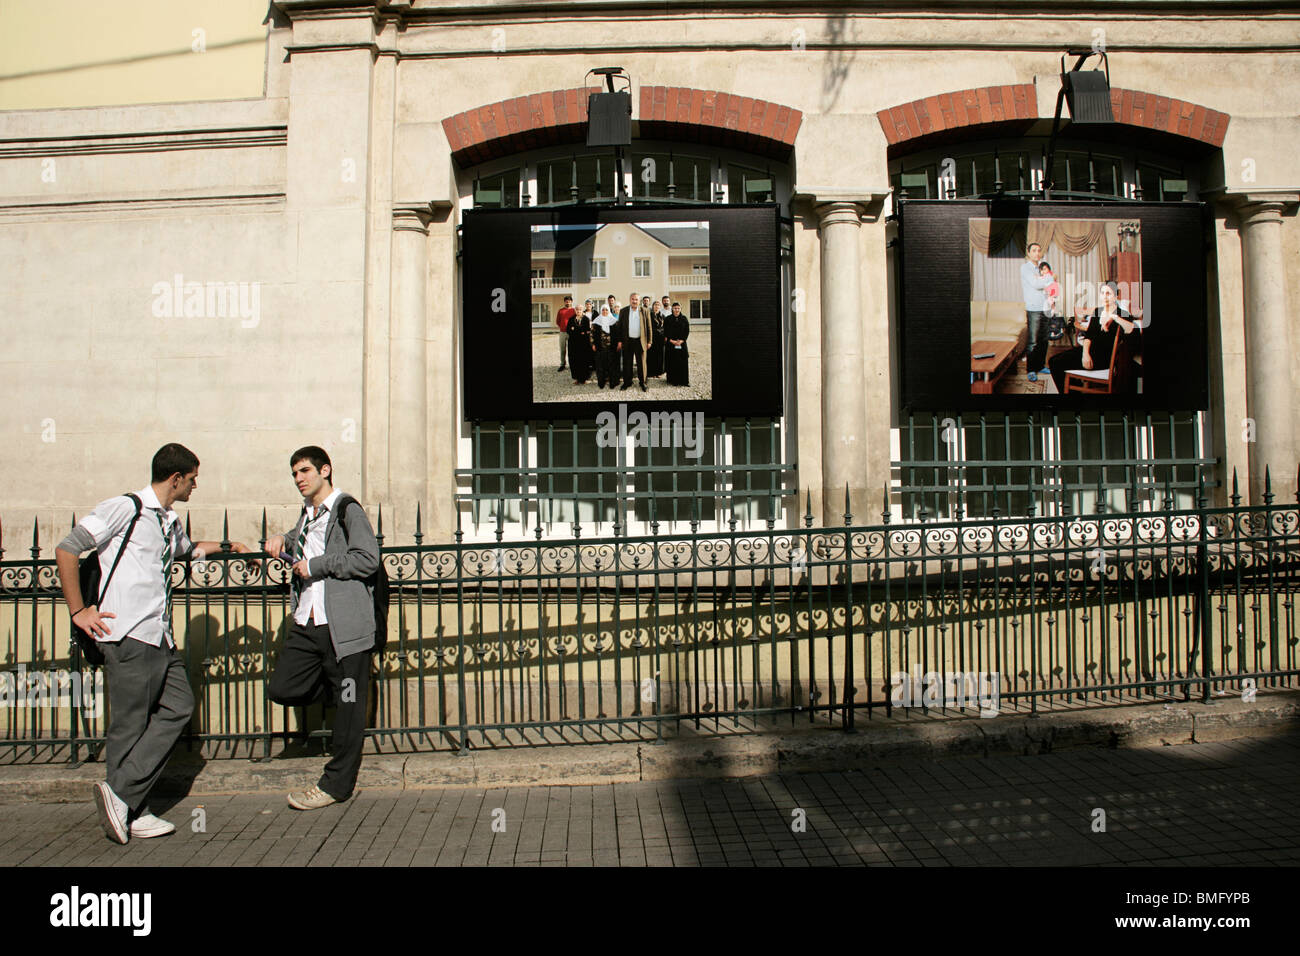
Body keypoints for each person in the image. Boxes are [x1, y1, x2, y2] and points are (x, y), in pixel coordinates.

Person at [55, 443, 255, 843]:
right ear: (176, 478)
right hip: (127, 633)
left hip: (159, 636)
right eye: (193, 479)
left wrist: (233, 548)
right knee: (129, 726)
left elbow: (189, 552)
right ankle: (130, 808)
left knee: (179, 706)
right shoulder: (124, 508)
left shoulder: (167, 521)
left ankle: (123, 797)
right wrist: (80, 612)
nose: (195, 487)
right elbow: (67, 549)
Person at [263, 446, 380, 810]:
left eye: (305, 471)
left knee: (348, 710)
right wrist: (283, 538)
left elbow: (367, 558)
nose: (299, 478)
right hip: (309, 623)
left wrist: (317, 565)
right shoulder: (309, 514)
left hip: (344, 629)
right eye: (295, 473)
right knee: (282, 686)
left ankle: (335, 785)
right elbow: (304, 539)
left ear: (325, 470)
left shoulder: (347, 509)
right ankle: (338, 690)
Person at [1047, 281, 1138, 394]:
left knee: (1056, 364)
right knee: (1052, 360)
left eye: (1108, 293)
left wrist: (1114, 317)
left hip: (1103, 358)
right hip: (1090, 352)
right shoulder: (1097, 311)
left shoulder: (1123, 314)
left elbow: (1132, 330)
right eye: (1102, 293)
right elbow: (1088, 335)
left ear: (1115, 296)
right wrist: (1085, 354)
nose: (1104, 297)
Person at [1021, 241, 1054, 383]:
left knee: (1044, 339)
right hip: (1033, 308)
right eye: (1034, 250)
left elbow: (1050, 285)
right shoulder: (1025, 268)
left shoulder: (1042, 268)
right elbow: (1036, 284)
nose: (1037, 253)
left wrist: (1046, 280)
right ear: (1029, 253)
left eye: (1039, 250)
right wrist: (1050, 278)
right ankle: (1031, 370)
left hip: (1045, 307)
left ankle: (1040, 366)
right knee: (1033, 341)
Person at [618, 291, 652, 391]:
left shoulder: (645, 311)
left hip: (640, 341)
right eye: (633, 299)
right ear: (630, 300)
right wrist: (620, 341)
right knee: (627, 363)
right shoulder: (623, 311)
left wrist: (649, 341)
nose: (634, 301)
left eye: (636, 299)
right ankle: (627, 382)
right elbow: (620, 327)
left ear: (639, 301)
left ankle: (643, 382)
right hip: (627, 341)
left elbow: (649, 327)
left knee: (641, 363)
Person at [592, 304, 621, 389]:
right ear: (601, 311)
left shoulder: (614, 321)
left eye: (606, 310)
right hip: (600, 347)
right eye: (603, 310)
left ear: (609, 311)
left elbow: (619, 334)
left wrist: (619, 342)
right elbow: (591, 334)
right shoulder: (596, 321)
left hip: (612, 347)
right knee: (600, 365)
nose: (605, 312)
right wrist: (593, 344)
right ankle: (602, 382)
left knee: (612, 365)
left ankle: (613, 382)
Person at [664, 301, 691, 386]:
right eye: (675, 308)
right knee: (672, 362)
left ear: (680, 309)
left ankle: (684, 381)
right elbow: (665, 331)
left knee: (683, 362)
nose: (677, 310)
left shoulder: (684, 318)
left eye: (678, 308)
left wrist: (682, 340)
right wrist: (672, 341)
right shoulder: (668, 319)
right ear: (672, 309)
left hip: (682, 344)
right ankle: (673, 381)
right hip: (671, 343)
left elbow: (687, 331)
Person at [567, 302, 594, 384]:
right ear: (575, 310)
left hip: (583, 344)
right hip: (573, 344)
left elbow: (587, 331)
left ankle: (584, 378)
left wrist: (575, 329)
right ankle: (577, 378)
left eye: (580, 309)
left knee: (584, 360)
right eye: (577, 309)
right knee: (574, 361)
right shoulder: (571, 319)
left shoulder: (586, 319)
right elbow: (569, 330)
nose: (578, 311)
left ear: (583, 310)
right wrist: (579, 331)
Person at [646, 296, 667, 379]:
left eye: (658, 305)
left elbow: (665, 327)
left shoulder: (663, 316)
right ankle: (651, 373)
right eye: (655, 305)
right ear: (653, 306)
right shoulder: (649, 315)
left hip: (660, 339)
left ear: (660, 306)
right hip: (652, 339)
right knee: (651, 356)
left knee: (660, 356)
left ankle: (659, 372)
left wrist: (665, 336)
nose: (657, 306)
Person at [554, 295, 577, 372]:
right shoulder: (561, 311)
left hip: (571, 333)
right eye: (566, 301)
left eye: (569, 301)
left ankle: (572, 364)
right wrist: (563, 327)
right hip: (563, 333)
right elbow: (558, 321)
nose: (568, 302)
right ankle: (562, 364)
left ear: (571, 302)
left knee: (572, 349)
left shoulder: (574, 311)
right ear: (564, 302)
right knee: (563, 349)